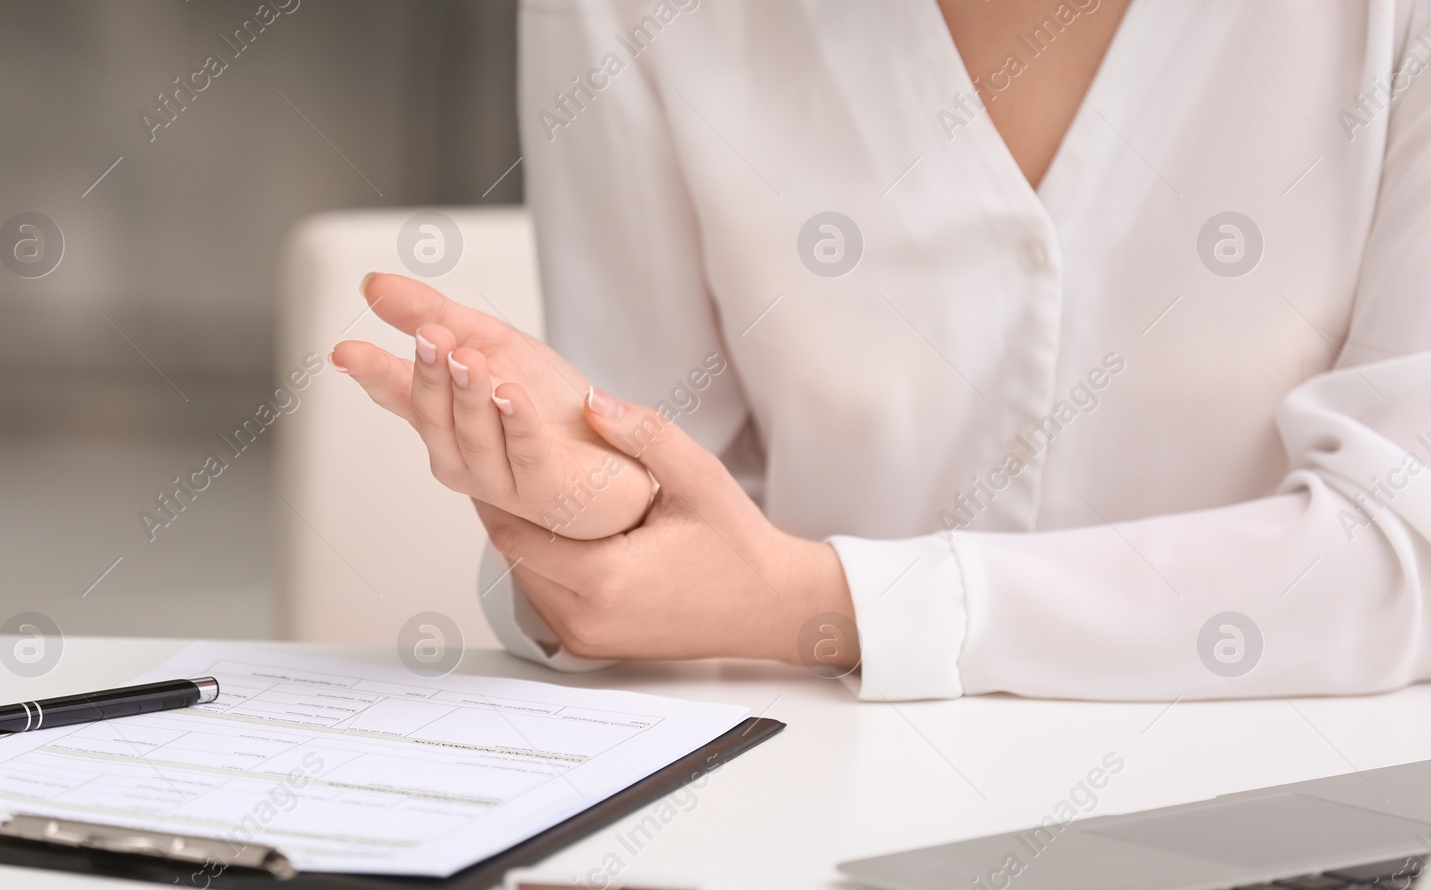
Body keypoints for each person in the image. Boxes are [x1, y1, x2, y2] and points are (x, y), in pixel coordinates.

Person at [331, 0, 1431, 701]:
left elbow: (1405, 546)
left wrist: (829, 602)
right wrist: (598, 513)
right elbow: (685, 531)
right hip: (805, 819)